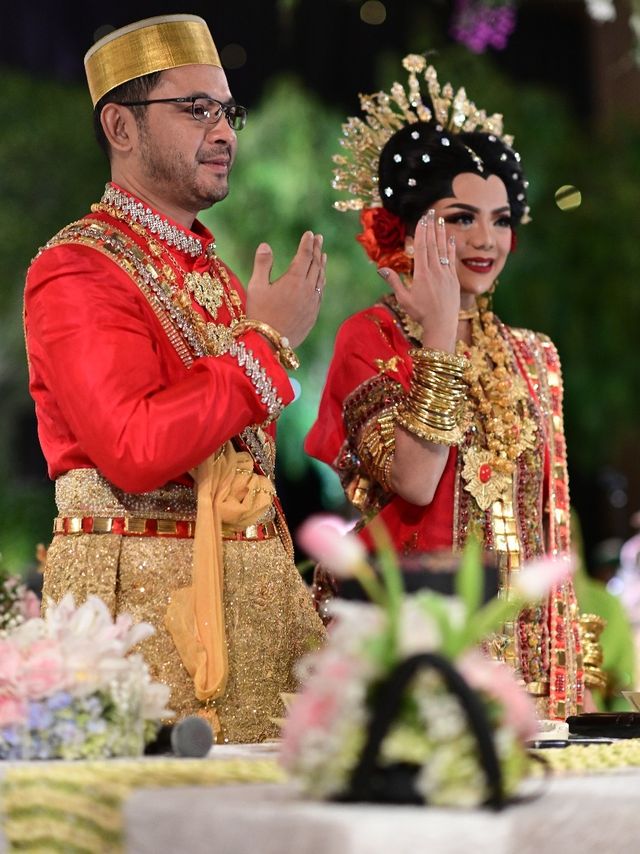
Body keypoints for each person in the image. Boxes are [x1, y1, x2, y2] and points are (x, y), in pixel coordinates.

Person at [23, 14, 326, 744]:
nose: (224, 132)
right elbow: (134, 446)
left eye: (228, 112)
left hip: (258, 623)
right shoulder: (76, 269)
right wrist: (265, 344)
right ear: (120, 127)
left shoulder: (217, 278)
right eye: (196, 110)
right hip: (141, 626)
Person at [305, 54, 583, 720]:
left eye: (501, 218)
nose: (486, 239)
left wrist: (567, 677)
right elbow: (415, 480)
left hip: (530, 675)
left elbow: (552, 527)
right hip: (411, 653)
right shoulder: (370, 338)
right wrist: (439, 337)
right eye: (460, 217)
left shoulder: (535, 356)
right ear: (408, 225)